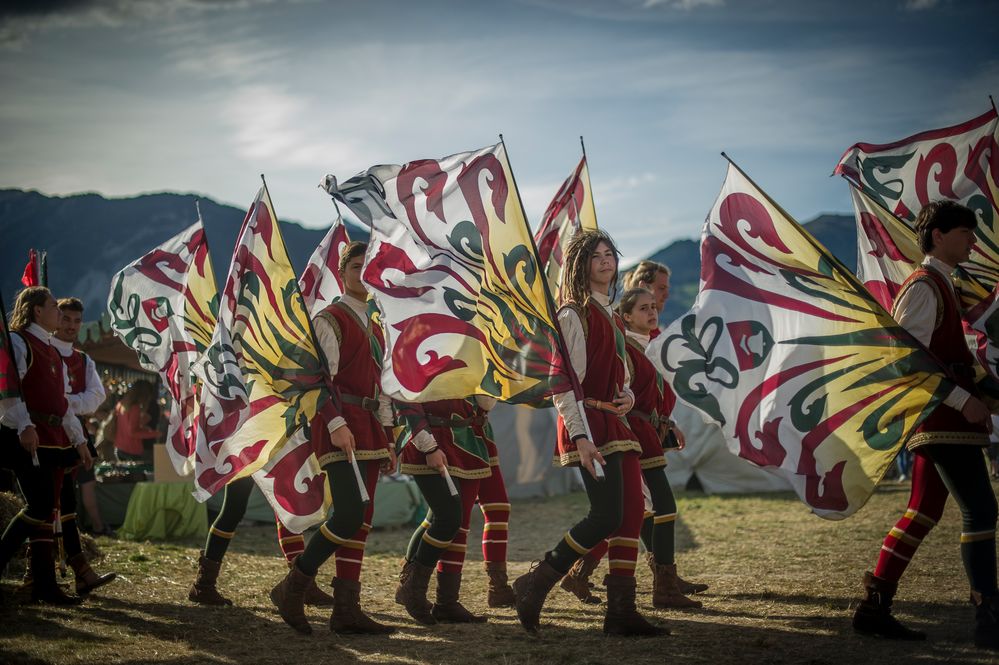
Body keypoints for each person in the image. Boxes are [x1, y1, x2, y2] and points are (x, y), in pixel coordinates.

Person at [851, 201, 998, 650]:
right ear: (938, 235)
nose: (974, 242)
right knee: (982, 509)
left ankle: (874, 608)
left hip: (946, 415)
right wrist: (960, 398)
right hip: (940, 418)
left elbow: (949, 355)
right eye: (966, 233)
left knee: (922, 511)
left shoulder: (942, 285)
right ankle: (989, 620)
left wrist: (984, 388)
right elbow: (902, 358)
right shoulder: (924, 285)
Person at [512, 229, 666, 636]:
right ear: (580, 264)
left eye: (609, 254)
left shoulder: (613, 316)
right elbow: (563, 382)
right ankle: (537, 581)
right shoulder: (572, 314)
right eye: (596, 255)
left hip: (616, 423)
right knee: (606, 515)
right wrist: (579, 436)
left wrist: (629, 397)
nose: (605, 261)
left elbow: (622, 377)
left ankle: (620, 612)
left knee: (632, 515)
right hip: (590, 425)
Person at [269, 241, 396, 635]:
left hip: (371, 423)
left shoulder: (376, 321)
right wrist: (336, 423)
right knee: (348, 514)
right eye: (356, 267)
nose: (363, 273)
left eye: (369, 267)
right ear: (343, 272)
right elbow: (317, 379)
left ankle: (346, 610)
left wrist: (390, 436)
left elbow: (383, 383)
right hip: (339, 422)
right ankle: (292, 586)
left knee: (363, 519)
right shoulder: (331, 318)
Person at [561, 288, 702, 610]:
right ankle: (659, 583)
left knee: (637, 513)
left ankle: (585, 574)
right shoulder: (624, 346)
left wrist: (666, 420)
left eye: (655, 306)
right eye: (644, 307)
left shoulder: (649, 347)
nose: (654, 312)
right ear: (625, 315)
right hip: (625, 430)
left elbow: (650, 394)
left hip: (644, 431)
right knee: (641, 510)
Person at [0, 287, 90, 604]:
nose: (58, 310)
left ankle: (45, 585)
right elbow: (9, 389)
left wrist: (78, 439)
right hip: (27, 433)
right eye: (53, 306)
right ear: (37, 311)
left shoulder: (51, 348)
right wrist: (24, 425)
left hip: (52, 438)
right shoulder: (18, 341)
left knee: (46, 511)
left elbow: (62, 403)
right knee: (39, 505)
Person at [393, 396, 492, 625]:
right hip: (429, 441)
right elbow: (406, 402)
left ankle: (446, 603)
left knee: (447, 520)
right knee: (448, 519)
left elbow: (486, 403)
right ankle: (413, 590)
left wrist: (487, 367)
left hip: (467, 443)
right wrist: (429, 447)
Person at [48, 297, 116, 593]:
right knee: (47, 506)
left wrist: (68, 403)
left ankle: (79, 572)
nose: (72, 326)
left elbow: (95, 397)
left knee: (67, 505)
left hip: (75, 438)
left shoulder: (83, 359)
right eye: (66, 319)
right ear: (54, 318)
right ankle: (47, 571)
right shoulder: (43, 351)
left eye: (76, 321)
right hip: (46, 435)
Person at [111, 379, 158, 462]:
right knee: (137, 474)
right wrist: (156, 434)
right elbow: (133, 432)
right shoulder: (135, 408)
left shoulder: (122, 404)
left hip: (119, 447)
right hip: (131, 450)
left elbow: (126, 427)